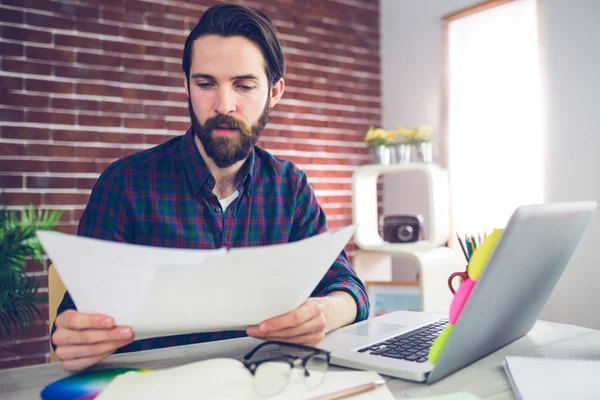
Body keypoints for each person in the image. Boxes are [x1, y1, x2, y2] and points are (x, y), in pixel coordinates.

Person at [51, 3, 369, 372]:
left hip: (265, 387)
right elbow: (75, 316)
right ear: (186, 85)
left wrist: (323, 312)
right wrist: (75, 336)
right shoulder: (125, 185)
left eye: (244, 85)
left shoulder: (290, 187)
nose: (223, 105)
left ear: (275, 91)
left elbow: (349, 289)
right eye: (205, 84)